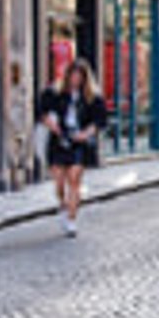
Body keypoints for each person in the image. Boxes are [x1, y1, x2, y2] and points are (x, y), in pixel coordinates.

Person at [37, 56, 106, 236]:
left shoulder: (91, 98)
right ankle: (63, 204)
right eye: (73, 75)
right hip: (59, 141)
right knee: (59, 182)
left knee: (74, 180)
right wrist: (52, 125)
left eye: (79, 76)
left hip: (78, 142)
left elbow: (99, 121)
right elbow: (41, 112)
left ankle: (71, 220)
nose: (76, 80)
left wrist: (86, 134)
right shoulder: (55, 93)